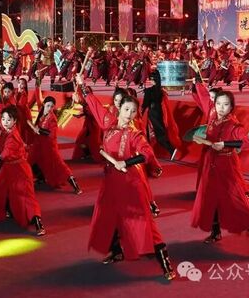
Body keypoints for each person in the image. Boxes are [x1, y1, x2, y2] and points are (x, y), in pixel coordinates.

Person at [75, 73, 175, 280]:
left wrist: (126, 162)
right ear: (119, 108)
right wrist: (82, 86)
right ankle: (116, 251)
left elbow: (147, 153)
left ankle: (165, 262)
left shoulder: (134, 133)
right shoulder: (109, 124)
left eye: (133, 111)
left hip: (130, 182)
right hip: (111, 181)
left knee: (143, 222)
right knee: (107, 215)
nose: (129, 114)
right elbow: (94, 106)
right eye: (126, 109)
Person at [190, 88, 249, 261]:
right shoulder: (213, 115)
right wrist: (196, 81)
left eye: (225, 104)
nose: (221, 107)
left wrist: (225, 144)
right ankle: (216, 232)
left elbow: (248, 142)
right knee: (211, 199)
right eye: (218, 104)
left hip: (226, 166)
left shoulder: (233, 125)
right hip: (210, 164)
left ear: (232, 106)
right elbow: (203, 98)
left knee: (239, 204)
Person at [0, 105, 46, 236]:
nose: (5, 122)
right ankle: (9, 211)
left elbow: (7, 152)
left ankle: (38, 224)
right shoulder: (8, 132)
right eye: (3, 119)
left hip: (19, 169)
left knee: (26, 197)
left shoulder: (12, 135)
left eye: (9, 120)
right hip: (8, 168)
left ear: (15, 121)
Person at [27, 79, 82, 194]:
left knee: (60, 166)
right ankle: (39, 178)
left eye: (52, 106)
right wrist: (38, 81)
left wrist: (39, 130)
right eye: (48, 106)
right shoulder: (42, 112)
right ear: (44, 105)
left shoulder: (52, 118)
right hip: (39, 145)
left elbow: (51, 134)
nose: (49, 108)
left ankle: (76, 186)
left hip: (49, 147)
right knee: (30, 161)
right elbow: (38, 96)